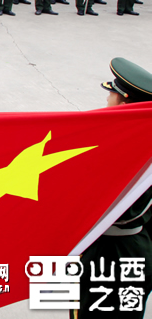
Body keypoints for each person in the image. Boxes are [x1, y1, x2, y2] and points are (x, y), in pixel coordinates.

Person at [72, 57, 152, 318]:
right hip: (139, 248)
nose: (107, 99)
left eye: (111, 94)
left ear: (124, 102)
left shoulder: (124, 153)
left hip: (112, 253)